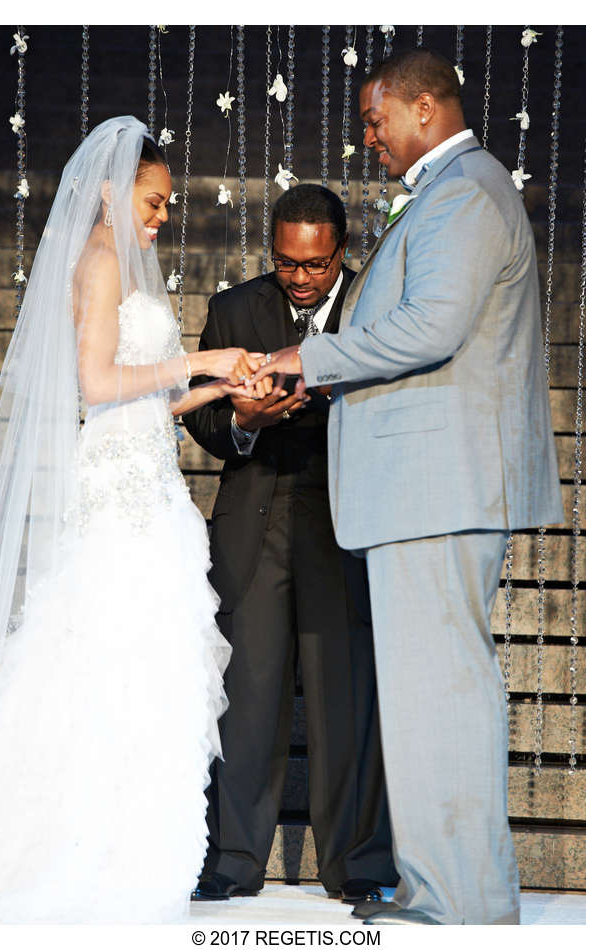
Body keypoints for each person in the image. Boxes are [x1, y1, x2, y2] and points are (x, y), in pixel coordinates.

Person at [250, 50, 564, 925]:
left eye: (374, 117)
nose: (368, 134)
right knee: (430, 695)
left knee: (444, 693)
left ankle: (462, 900)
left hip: (441, 484)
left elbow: (429, 326)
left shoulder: (463, 191)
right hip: (428, 487)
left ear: (423, 108)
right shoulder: (451, 190)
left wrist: (304, 358)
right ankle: (440, 889)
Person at [0, 116, 262, 924]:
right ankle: (93, 847)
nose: (163, 215)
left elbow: (148, 399)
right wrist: (202, 357)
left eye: (167, 202)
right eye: (152, 199)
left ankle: (135, 842)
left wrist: (221, 390)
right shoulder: (101, 262)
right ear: (109, 192)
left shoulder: (126, 267)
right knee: (111, 655)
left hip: (149, 480)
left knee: (149, 658)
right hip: (117, 492)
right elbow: (98, 384)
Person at [184, 184, 397, 904]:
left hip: (344, 514)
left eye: (315, 264)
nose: (300, 277)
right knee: (243, 696)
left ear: (341, 251)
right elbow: (206, 426)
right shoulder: (233, 308)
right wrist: (245, 418)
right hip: (256, 508)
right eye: (285, 262)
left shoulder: (379, 301)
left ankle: (359, 864)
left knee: (346, 694)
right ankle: (234, 860)